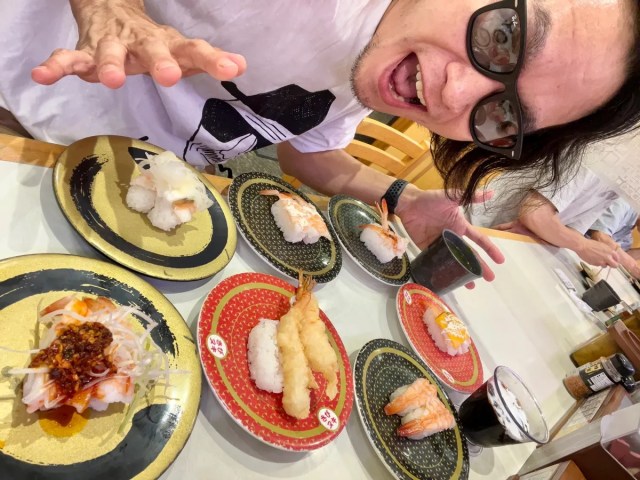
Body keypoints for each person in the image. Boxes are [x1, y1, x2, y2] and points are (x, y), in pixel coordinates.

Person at [2, 0, 640, 281]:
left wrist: (403, 196)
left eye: (505, 116)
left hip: (123, 198)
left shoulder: (383, 69)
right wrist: (111, 11)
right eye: (505, 38)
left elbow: (305, 151)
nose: (456, 95)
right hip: (23, 132)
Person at [467, 167, 622, 267]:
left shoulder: (615, 189)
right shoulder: (595, 158)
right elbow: (534, 214)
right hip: (474, 226)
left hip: (506, 243)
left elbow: (572, 230)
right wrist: (584, 246)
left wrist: (543, 232)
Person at [587, 197, 640, 277]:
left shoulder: (630, 229)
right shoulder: (624, 204)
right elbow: (599, 236)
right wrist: (632, 265)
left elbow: (620, 257)